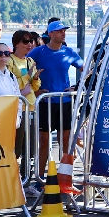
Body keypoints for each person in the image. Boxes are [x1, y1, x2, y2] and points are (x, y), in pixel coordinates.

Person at [28, 19, 83, 165]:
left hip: (64, 102)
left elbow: (87, 70)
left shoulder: (68, 52)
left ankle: (65, 178)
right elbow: (24, 71)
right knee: (44, 141)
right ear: (50, 33)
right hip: (45, 102)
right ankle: (39, 179)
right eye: (59, 31)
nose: (63, 33)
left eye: (64, 31)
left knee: (65, 140)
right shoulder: (39, 51)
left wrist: (77, 87)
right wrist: (35, 90)